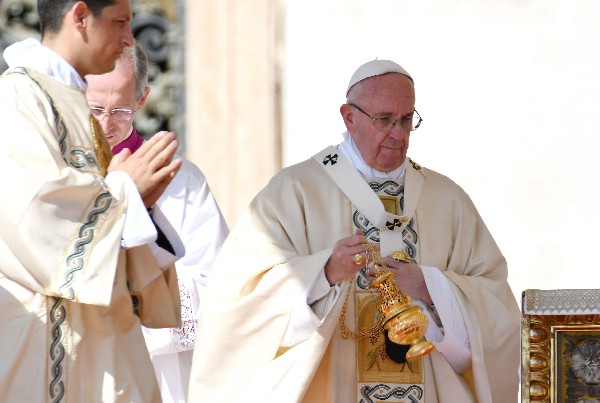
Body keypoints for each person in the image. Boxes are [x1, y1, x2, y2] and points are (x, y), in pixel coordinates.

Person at [188, 59, 521, 403]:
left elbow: (497, 306)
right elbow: (237, 300)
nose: (398, 133)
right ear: (349, 117)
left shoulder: (447, 199)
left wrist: (431, 286)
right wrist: (325, 273)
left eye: (407, 120)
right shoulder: (295, 190)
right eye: (384, 120)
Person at [0, 1, 185, 402]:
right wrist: (124, 195)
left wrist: (141, 208)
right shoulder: (19, 97)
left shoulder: (71, 100)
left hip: (103, 340)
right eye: (119, 22)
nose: (128, 40)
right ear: (80, 16)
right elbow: (34, 217)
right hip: (48, 341)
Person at [86, 43, 229, 403]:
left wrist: (133, 293)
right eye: (94, 109)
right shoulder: (56, 174)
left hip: (157, 373)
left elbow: (219, 285)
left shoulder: (181, 179)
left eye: (119, 110)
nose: (105, 125)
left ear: (142, 99)